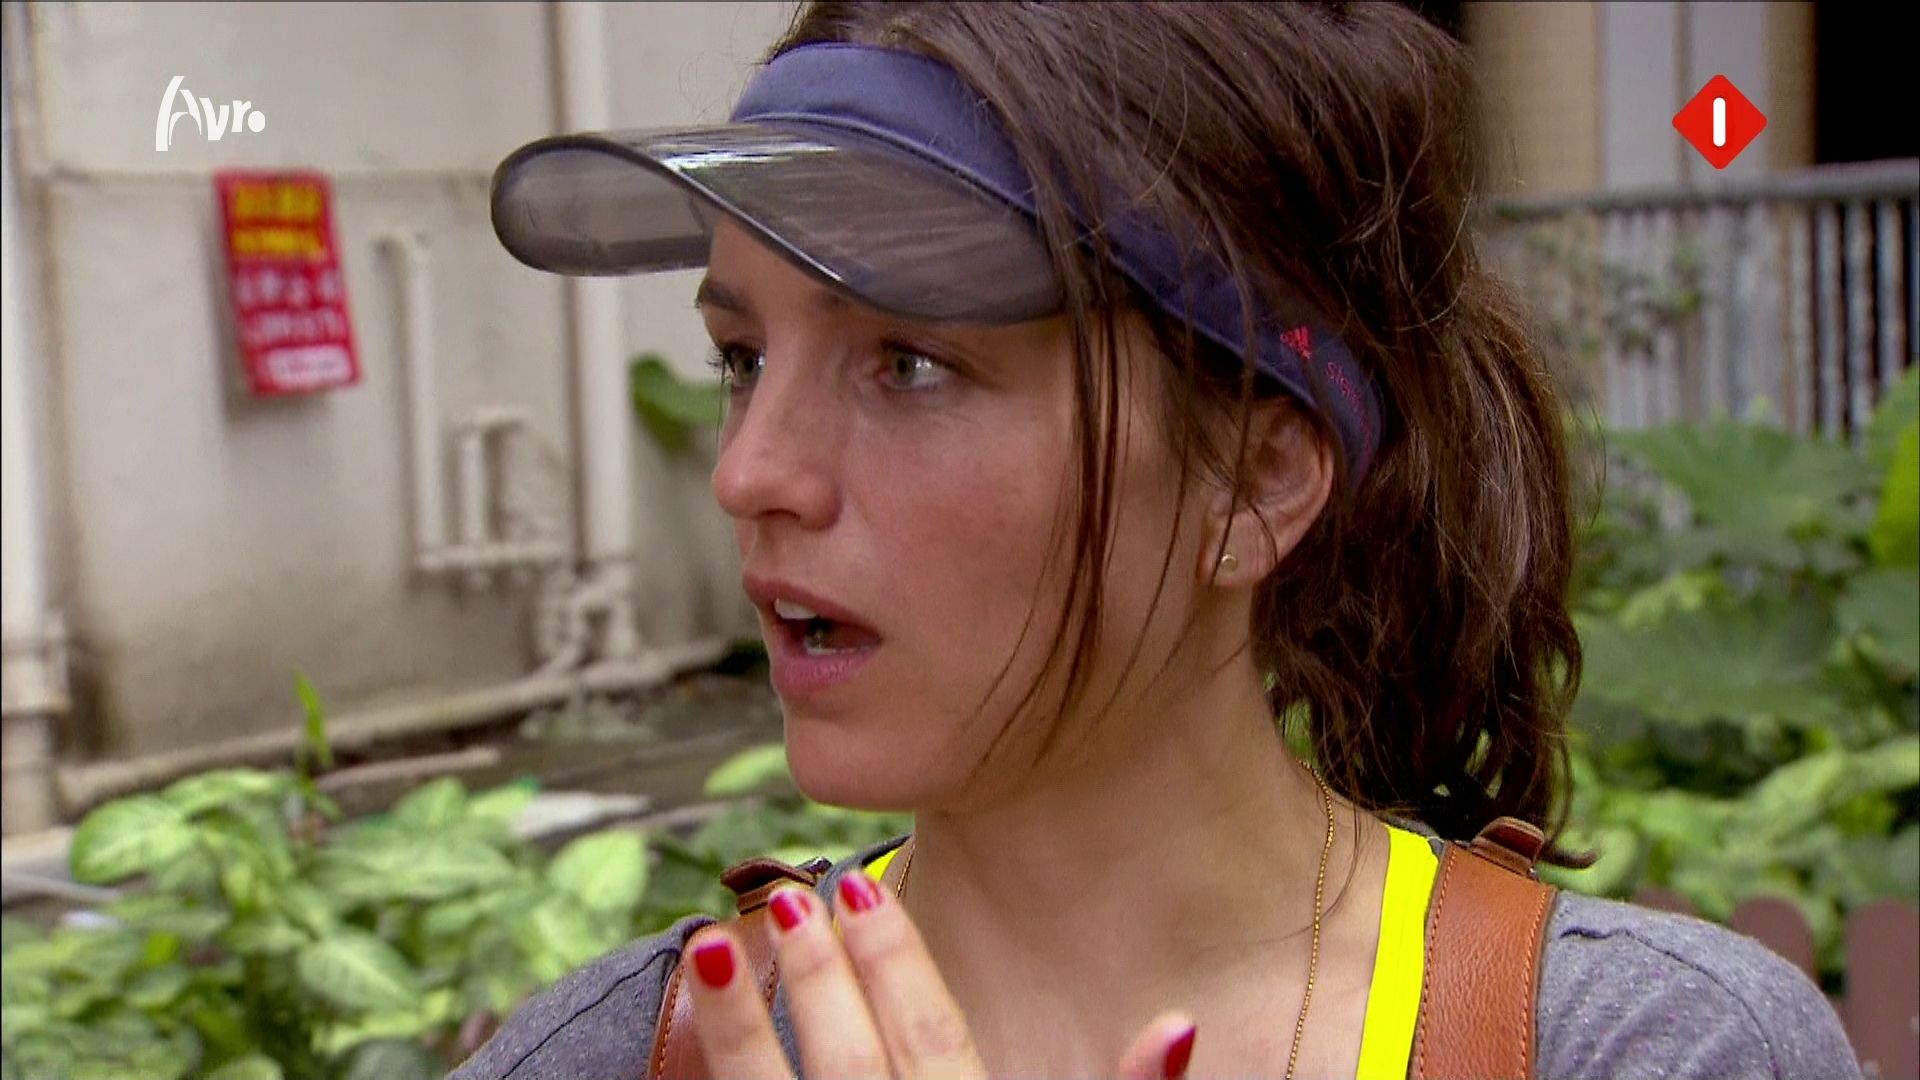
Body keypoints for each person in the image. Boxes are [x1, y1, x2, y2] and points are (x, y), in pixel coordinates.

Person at [458, 3, 1860, 1078]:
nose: (751, 471)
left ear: (1253, 480)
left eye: (910, 363)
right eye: (743, 357)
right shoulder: (615, 1056)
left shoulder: (1646, 1049)